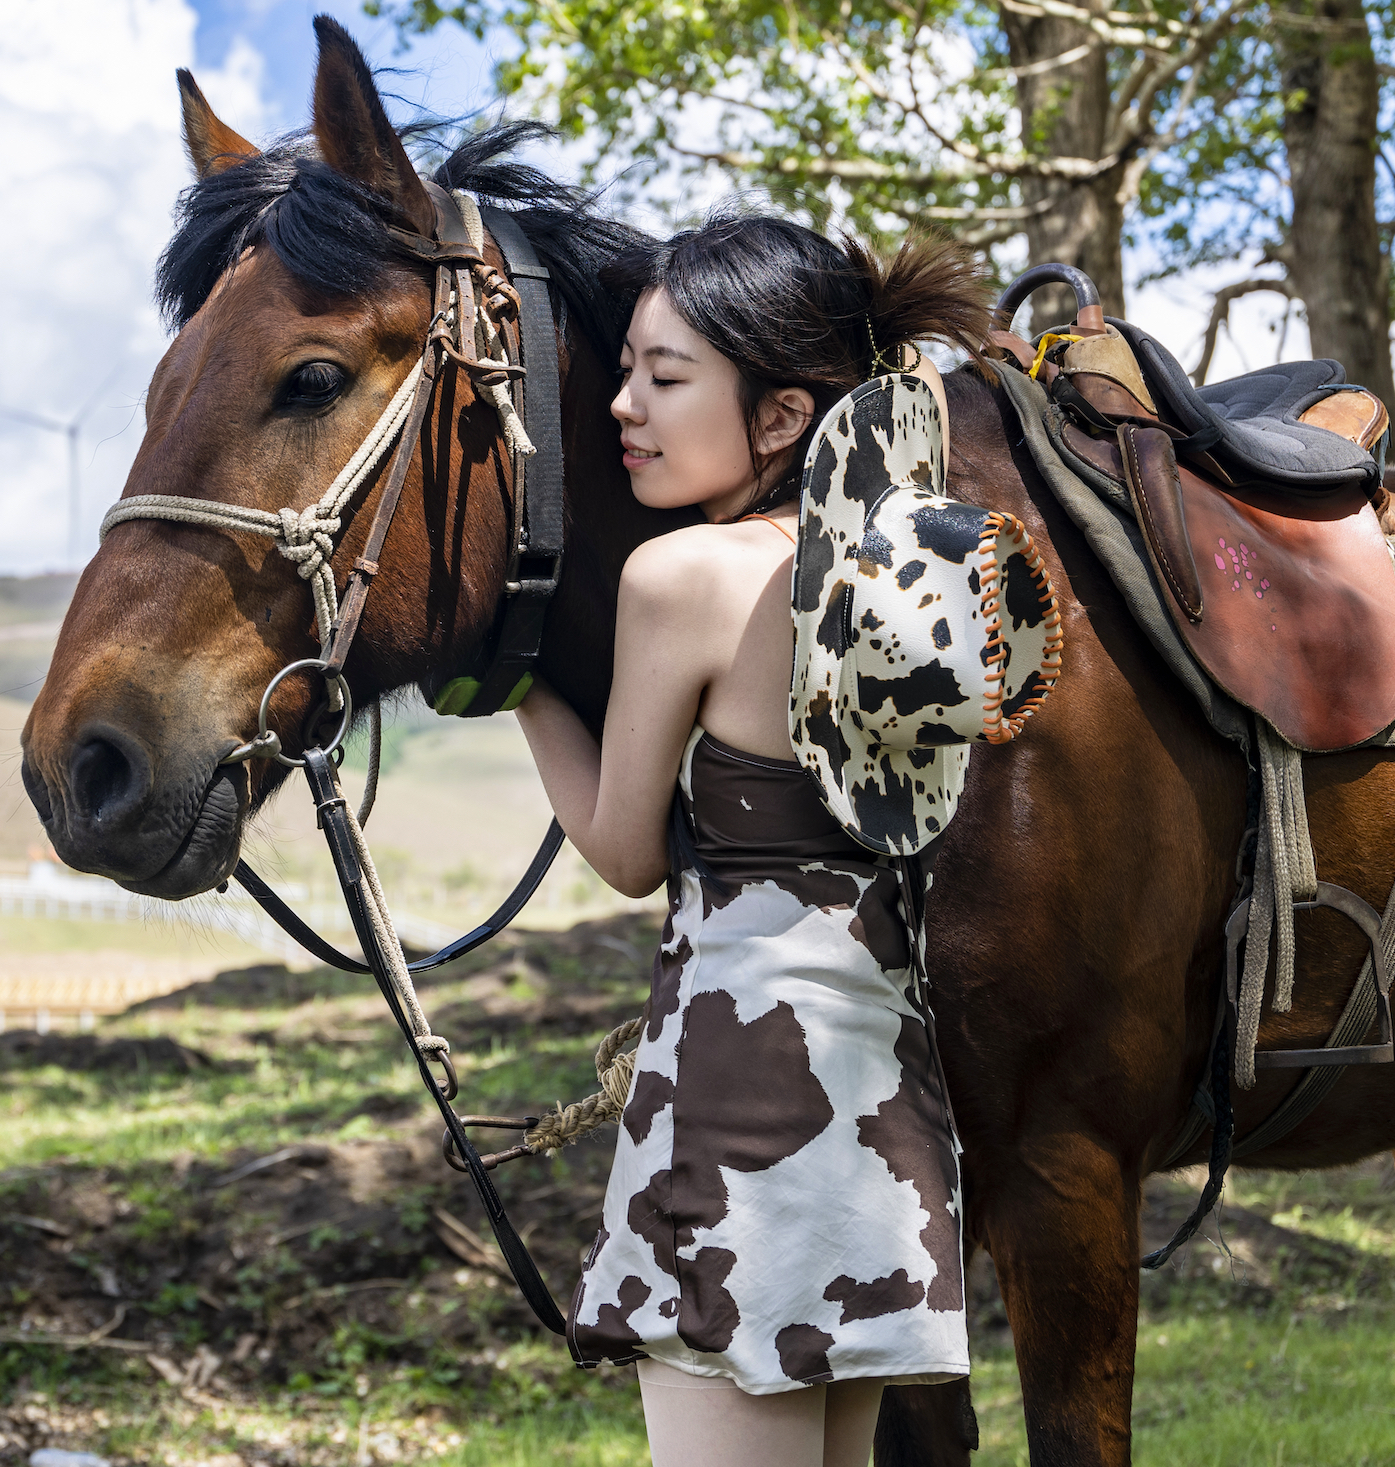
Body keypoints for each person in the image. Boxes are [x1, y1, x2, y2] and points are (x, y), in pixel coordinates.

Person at [512, 213, 993, 1467]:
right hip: (881, 1111)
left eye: (666, 378)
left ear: (781, 417)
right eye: (628, 368)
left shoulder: (684, 577)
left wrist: (515, 685)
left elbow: (624, 852)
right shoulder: (901, 571)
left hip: (734, 1115)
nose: (624, 405)